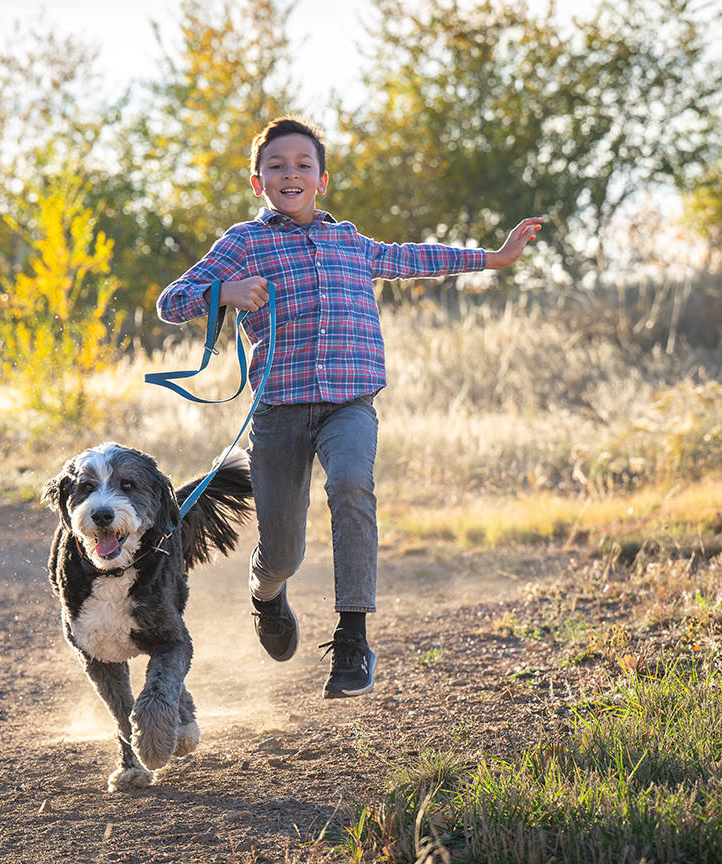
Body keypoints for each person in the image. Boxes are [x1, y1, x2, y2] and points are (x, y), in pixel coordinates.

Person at [156, 116, 542, 699]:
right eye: (277, 166)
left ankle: (354, 635)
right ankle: (266, 594)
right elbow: (171, 302)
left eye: (303, 165)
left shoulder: (351, 243)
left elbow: (414, 256)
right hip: (279, 411)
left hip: (350, 404)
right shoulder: (243, 243)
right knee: (284, 550)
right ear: (258, 182)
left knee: (352, 485)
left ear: (323, 179)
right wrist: (223, 293)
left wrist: (493, 258)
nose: (291, 173)